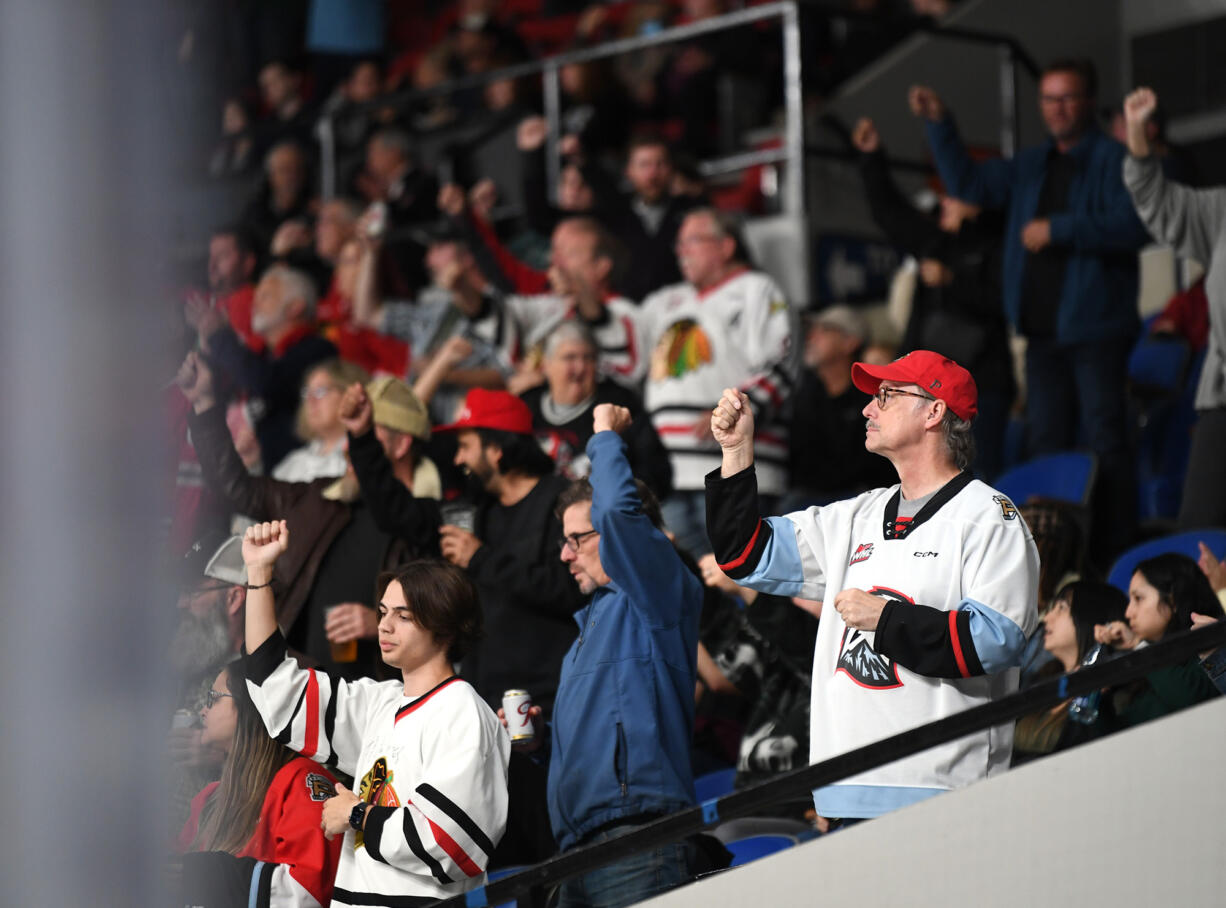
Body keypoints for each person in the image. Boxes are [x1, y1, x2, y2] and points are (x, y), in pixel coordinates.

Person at [706, 349, 1039, 823]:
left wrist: (884, 619)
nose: (867, 408)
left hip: (942, 795)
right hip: (844, 793)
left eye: (885, 395)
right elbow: (744, 554)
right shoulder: (856, 515)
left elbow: (993, 643)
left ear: (935, 411)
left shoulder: (988, 516)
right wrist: (737, 453)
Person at [912, 61, 1151, 555]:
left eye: (1067, 98)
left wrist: (1058, 229)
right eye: (1048, 99)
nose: (1057, 109)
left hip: (1097, 331)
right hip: (1041, 334)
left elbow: (1136, 225)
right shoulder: (1032, 163)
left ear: (1088, 102)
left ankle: (1114, 555)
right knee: (1046, 449)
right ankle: (1049, 561)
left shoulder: (1116, 158)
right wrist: (940, 125)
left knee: (1107, 443)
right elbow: (969, 186)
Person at [240, 522, 510, 905]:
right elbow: (277, 689)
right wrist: (259, 575)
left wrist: (357, 816)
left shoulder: (462, 710)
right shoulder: (380, 702)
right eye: (383, 611)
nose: (384, 625)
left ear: (445, 625)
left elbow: (452, 846)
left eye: (403, 615)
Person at [518, 404, 705, 907]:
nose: (564, 554)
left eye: (577, 539)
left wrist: (604, 435)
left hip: (639, 840)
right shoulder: (585, 632)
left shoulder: (657, 591)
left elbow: (618, 512)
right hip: (576, 850)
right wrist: (542, 744)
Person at [179, 352, 440, 677]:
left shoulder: (429, 524)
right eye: (352, 435)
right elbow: (236, 488)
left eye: (366, 436)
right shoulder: (317, 497)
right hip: (301, 692)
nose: (350, 447)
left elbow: (448, 626)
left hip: (379, 702)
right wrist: (204, 403)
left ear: (401, 446)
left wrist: (383, 624)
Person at [343, 385, 584, 714]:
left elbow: (569, 590)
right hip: (482, 698)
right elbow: (397, 512)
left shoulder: (561, 504)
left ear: (496, 449)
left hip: (549, 699)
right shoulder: (473, 509)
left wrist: (481, 559)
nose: (458, 459)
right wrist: (362, 439)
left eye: (466, 446)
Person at [851, 116, 1015, 479]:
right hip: (923, 388)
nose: (945, 198)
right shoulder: (937, 240)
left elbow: (1005, 303)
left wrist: (951, 279)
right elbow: (890, 214)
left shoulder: (1002, 240)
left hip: (981, 386)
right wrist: (871, 157)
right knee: (921, 477)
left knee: (977, 477)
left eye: (956, 190)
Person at [641, 207, 800, 555]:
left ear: (726, 246)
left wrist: (730, 413)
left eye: (692, 241)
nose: (681, 251)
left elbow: (781, 367)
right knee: (702, 590)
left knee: (741, 579)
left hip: (733, 472)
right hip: (670, 474)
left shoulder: (757, 289)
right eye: (679, 244)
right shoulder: (669, 300)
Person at [1122, 86, 1226, 529]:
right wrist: (1137, 135)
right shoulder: (1221, 209)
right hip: (1221, 402)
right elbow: (1158, 202)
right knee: (1199, 545)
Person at [177, 660, 343, 908]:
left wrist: (211, 875)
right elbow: (176, 873)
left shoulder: (301, 781)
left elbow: (311, 892)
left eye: (214, 698)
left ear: (252, 706)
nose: (203, 711)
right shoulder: (209, 797)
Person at [196, 264, 338, 472]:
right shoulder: (268, 357)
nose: (255, 303)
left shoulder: (317, 350)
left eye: (266, 297)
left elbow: (268, 382)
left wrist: (220, 336)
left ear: (295, 307)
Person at [520, 321, 672, 498]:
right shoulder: (525, 408)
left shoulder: (620, 406)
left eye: (588, 358)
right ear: (547, 365)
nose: (580, 367)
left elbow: (655, 474)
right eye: (570, 358)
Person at [784, 305, 896, 510]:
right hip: (811, 501)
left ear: (850, 342)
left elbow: (876, 465)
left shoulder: (874, 396)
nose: (811, 337)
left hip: (867, 499)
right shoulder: (804, 395)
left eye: (825, 329)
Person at [1092, 553, 1223, 725]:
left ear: (1173, 600)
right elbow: (1123, 734)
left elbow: (1191, 700)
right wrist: (1099, 703)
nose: (1128, 613)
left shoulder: (1212, 645)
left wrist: (1139, 646)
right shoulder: (1147, 673)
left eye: (1138, 598)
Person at [1012, 581, 1128, 764]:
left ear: (1091, 619)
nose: (1047, 618)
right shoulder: (1042, 678)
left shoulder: (1108, 693)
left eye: (1061, 608)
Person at [273, 359, 371, 482]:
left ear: (351, 394)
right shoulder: (294, 463)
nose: (310, 400)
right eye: (306, 393)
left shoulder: (366, 458)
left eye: (320, 391)